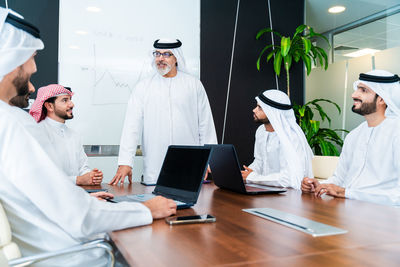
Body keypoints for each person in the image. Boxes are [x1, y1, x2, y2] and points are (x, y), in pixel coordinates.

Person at [0, 7, 176, 266]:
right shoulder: (13, 124)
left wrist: (83, 196)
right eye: (31, 56)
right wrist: (146, 209)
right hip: (75, 255)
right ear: (12, 58)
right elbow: (80, 217)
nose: (34, 68)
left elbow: (55, 199)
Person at [111, 38, 217, 185]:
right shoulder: (143, 87)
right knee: (158, 204)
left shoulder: (193, 85)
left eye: (166, 54)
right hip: (155, 165)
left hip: (190, 163)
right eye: (157, 54)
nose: (160, 58)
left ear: (176, 58)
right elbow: (131, 127)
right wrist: (125, 162)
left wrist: (209, 160)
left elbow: (206, 125)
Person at [301, 70, 400, 206]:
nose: (354, 95)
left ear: (382, 98)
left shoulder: (396, 132)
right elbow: (340, 178)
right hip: (348, 210)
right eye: (357, 89)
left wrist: (345, 193)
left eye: (363, 90)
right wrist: (318, 185)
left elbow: (397, 196)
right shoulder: (354, 135)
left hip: (384, 217)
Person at [29, 84, 103, 185]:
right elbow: (44, 176)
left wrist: (91, 176)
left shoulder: (74, 135)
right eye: (65, 100)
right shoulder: (39, 133)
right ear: (49, 106)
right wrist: (78, 180)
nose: (71, 104)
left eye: (70, 100)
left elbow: (83, 167)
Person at [241, 89, 314, 189]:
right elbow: (259, 162)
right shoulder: (261, 131)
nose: (254, 110)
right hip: (265, 190)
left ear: (273, 112)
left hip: (289, 197)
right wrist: (243, 174)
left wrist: (253, 177)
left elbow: (289, 179)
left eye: (260, 108)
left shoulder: (290, 137)